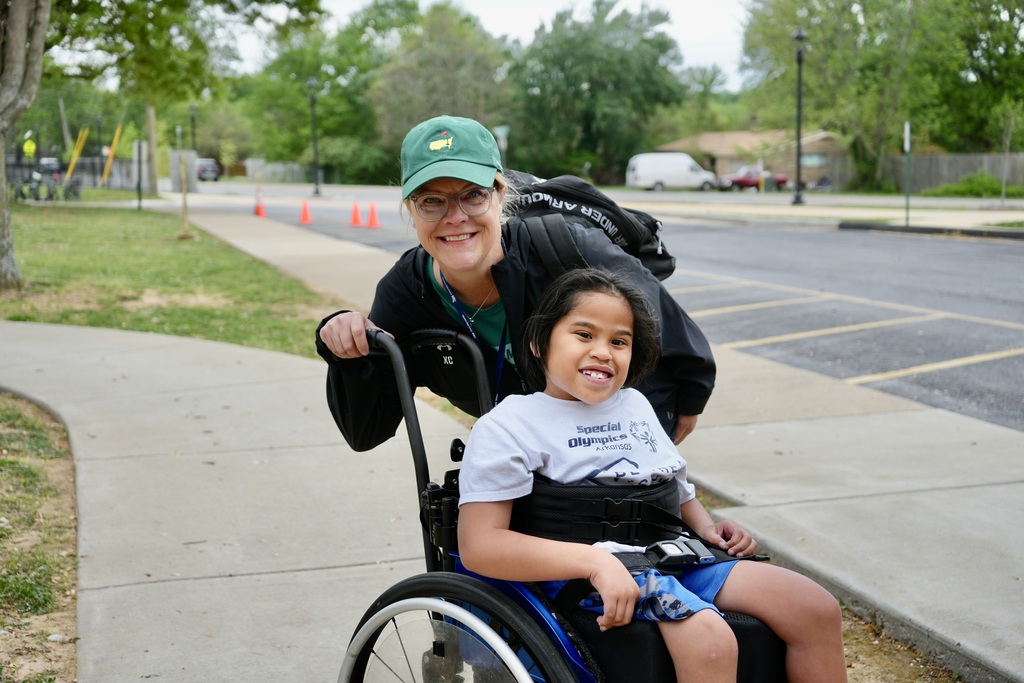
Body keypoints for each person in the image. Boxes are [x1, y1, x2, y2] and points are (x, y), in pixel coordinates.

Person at [457, 268, 847, 683]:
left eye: (619, 341)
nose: (604, 352)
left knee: (813, 606)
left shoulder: (635, 405)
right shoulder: (510, 424)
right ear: (538, 343)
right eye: (584, 335)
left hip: (670, 556)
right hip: (579, 575)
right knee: (709, 640)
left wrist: (709, 529)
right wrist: (595, 563)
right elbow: (481, 546)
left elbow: (672, 488)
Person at [316, 114, 714, 452]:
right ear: (411, 210)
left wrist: (686, 403)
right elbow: (365, 430)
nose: (455, 217)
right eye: (431, 201)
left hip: (616, 432)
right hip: (526, 450)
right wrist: (345, 352)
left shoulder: (563, 248)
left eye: (472, 195)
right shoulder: (405, 293)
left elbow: (665, 322)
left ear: (500, 195)